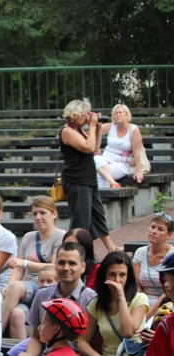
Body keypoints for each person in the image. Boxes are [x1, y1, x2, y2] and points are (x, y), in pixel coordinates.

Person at [15, 242, 97, 356]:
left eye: (72, 263)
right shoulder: (42, 294)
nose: (66, 268)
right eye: (61, 262)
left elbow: (93, 347)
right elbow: (36, 337)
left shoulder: (91, 299)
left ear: (83, 267)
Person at [2, 196, 66, 338]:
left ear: (54, 214)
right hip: (26, 288)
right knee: (16, 314)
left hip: (46, 286)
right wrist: (9, 286)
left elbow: (54, 267)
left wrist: (26, 263)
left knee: (15, 287)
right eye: (35, 213)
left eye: (42, 213)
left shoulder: (60, 236)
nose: (38, 217)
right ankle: (18, 351)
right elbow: (18, 268)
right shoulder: (28, 237)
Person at [78, 251, 149, 356]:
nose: (117, 280)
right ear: (104, 276)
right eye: (112, 274)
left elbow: (128, 332)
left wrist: (121, 297)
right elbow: (82, 342)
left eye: (122, 275)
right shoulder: (96, 304)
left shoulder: (139, 299)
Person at [59, 98, 118, 252]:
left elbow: (95, 148)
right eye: (85, 115)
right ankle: (75, 252)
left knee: (98, 215)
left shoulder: (80, 130)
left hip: (88, 179)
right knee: (81, 221)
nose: (87, 118)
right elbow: (88, 147)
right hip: (76, 180)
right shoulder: (67, 131)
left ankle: (111, 248)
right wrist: (91, 126)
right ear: (75, 114)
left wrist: (97, 129)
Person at [132, 212, 174, 318]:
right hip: (142, 300)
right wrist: (140, 306)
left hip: (166, 302)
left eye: (160, 229)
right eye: (152, 227)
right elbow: (137, 285)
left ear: (169, 234)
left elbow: (168, 291)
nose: (154, 231)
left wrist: (147, 316)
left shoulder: (172, 256)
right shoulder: (140, 252)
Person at [94, 104, 146, 187]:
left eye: (120, 113)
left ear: (127, 115)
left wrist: (139, 171)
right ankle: (112, 183)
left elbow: (137, 153)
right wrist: (96, 125)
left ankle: (107, 191)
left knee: (100, 173)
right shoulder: (110, 126)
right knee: (96, 158)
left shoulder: (134, 129)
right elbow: (92, 133)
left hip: (121, 164)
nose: (117, 115)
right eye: (115, 113)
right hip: (105, 160)